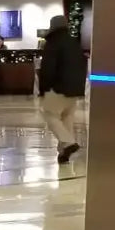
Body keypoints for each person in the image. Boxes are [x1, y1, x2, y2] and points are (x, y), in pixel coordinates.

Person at [38, 15, 87, 163]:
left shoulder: (52, 43)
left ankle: (68, 143)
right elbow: (82, 65)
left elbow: (47, 68)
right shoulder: (74, 43)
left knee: (49, 114)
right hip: (74, 90)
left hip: (57, 87)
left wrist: (43, 88)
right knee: (67, 117)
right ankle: (63, 153)